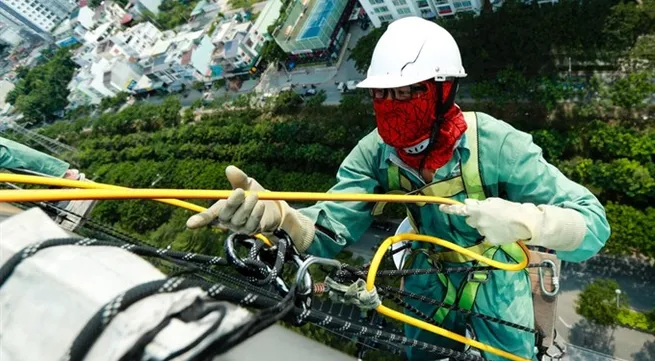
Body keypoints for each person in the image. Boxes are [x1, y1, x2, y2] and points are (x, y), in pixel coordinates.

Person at [186, 17, 611, 361]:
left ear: (445, 90)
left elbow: (592, 225)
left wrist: (527, 222)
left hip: (496, 274)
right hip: (428, 276)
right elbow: (331, 228)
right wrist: (282, 219)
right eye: (383, 94)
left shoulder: (496, 145)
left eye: (407, 92)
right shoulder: (374, 153)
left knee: (511, 357)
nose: (392, 105)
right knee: (420, 352)